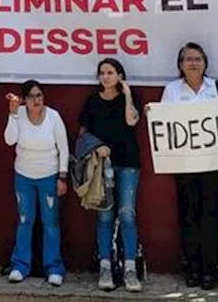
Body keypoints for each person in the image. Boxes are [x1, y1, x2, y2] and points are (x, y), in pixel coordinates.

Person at [155, 42, 218, 289]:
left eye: (198, 58)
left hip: (215, 163)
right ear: (180, 64)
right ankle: (193, 267)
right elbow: (164, 123)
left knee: (212, 214)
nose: (194, 63)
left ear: (205, 62)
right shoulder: (172, 90)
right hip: (185, 163)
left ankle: (211, 269)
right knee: (189, 215)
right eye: (188, 59)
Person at [79, 59, 142, 292]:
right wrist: (96, 147)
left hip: (128, 165)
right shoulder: (92, 101)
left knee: (127, 215)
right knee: (105, 217)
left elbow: (131, 121)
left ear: (120, 75)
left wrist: (126, 95)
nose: (106, 77)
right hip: (101, 167)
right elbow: (83, 134)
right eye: (102, 73)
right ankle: (105, 265)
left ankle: (130, 269)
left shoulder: (130, 96)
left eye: (110, 72)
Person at [3, 80, 69, 286]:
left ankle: (54, 268)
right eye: (31, 96)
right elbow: (9, 140)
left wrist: (62, 177)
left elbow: (64, 148)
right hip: (23, 176)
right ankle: (20, 266)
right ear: (24, 99)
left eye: (39, 95)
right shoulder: (19, 115)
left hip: (49, 176)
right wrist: (12, 114)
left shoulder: (53, 116)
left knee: (51, 223)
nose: (36, 100)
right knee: (25, 221)